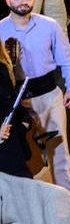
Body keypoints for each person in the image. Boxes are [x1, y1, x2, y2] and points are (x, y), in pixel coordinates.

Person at [0, 0, 70, 193]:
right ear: (8, 1)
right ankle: (33, 202)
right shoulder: (0, 30)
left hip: (49, 95)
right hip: (17, 102)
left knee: (60, 151)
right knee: (25, 154)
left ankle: (68, 199)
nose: (23, 2)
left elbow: (68, 59)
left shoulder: (49, 25)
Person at [0, 37, 32, 178]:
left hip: (11, 143)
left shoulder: (1, 68)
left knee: (24, 189)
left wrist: (25, 122)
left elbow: (10, 100)